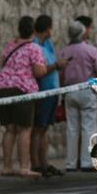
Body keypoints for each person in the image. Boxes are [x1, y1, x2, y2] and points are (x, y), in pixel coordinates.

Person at [0, 16, 66, 178]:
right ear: (33, 30)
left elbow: (2, 62)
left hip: (1, 88)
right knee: (24, 129)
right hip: (22, 90)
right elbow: (39, 72)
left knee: (10, 129)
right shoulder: (34, 48)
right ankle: (24, 167)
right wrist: (54, 66)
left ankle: (6, 167)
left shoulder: (11, 45)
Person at [59, 20, 97, 171]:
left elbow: (61, 73)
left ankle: (70, 163)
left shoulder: (64, 51)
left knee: (72, 128)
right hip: (87, 90)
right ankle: (87, 162)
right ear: (82, 33)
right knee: (88, 126)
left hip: (69, 91)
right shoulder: (91, 50)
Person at [30, 14, 65, 177]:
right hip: (42, 90)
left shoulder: (48, 44)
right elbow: (41, 69)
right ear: (47, 28)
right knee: (37, 128)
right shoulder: (34, 45)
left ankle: (43, 162)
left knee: (44, 128)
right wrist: (57, 66)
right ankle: (35, 163)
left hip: (53, 89)